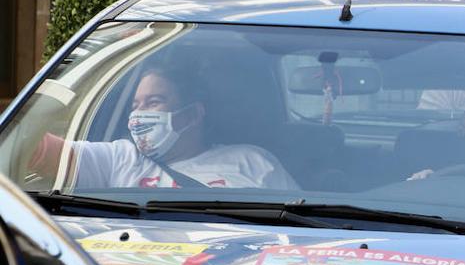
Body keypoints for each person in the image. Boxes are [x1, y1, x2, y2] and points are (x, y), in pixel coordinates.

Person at [31, 66, 298, 190]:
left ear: (192, 114)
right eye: (136, 105)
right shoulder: (120, 158)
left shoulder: (252, 162)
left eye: (154, 102)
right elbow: (32, 147)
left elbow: (297, 225)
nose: (138, 115)